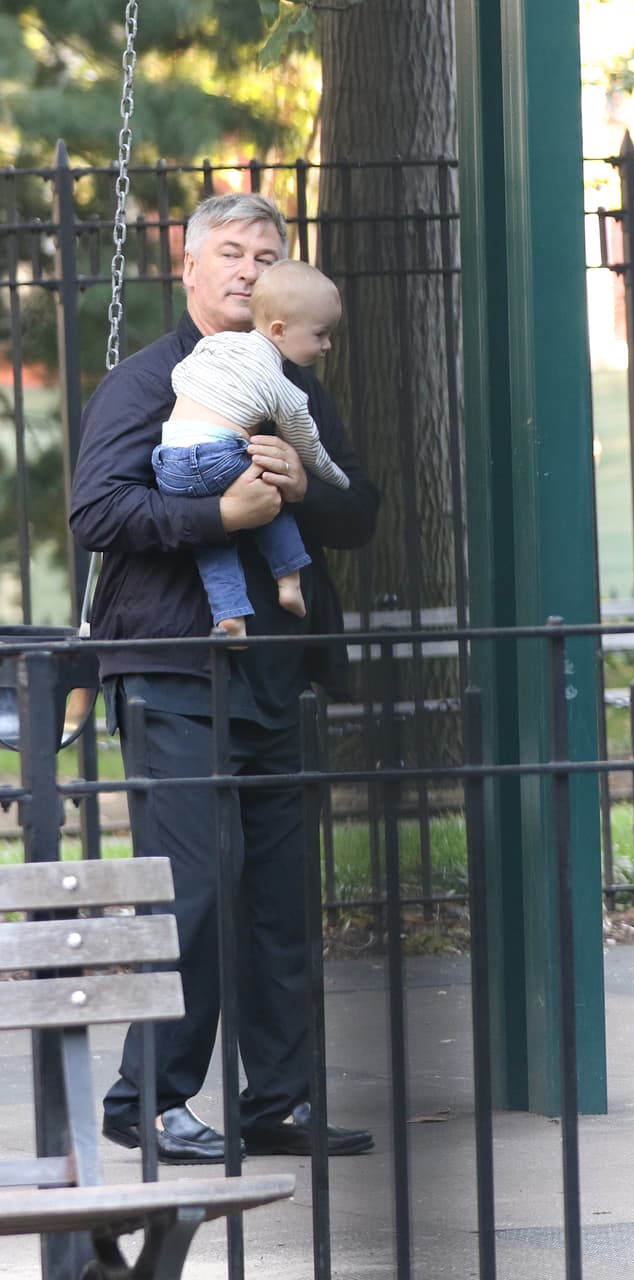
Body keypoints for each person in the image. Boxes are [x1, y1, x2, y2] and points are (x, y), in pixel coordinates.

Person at [70, 192, 381, 1162]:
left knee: (283, 896)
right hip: (174, 667)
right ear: (191, 265)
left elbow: (360, 511)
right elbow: (98, 513)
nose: (250, 268)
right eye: (233, 252)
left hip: (277, 671)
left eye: (267, 254)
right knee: (194, 889)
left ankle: (277, 1101)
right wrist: (221, 516)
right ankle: (149, 1099)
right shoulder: (146, 381)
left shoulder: (292, 381)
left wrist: (302, 486)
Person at [154, 259, 350, 640]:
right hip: (218, 457)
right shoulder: (282, 386)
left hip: (168, 461)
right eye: (320, 334)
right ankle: (290, 580)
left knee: (214, 530)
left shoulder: (215, 345)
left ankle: (230, 616)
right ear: (279, 330)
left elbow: (180, 376)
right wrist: (337, 479)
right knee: (270, 491)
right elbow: (309, 448)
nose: (327, 346)